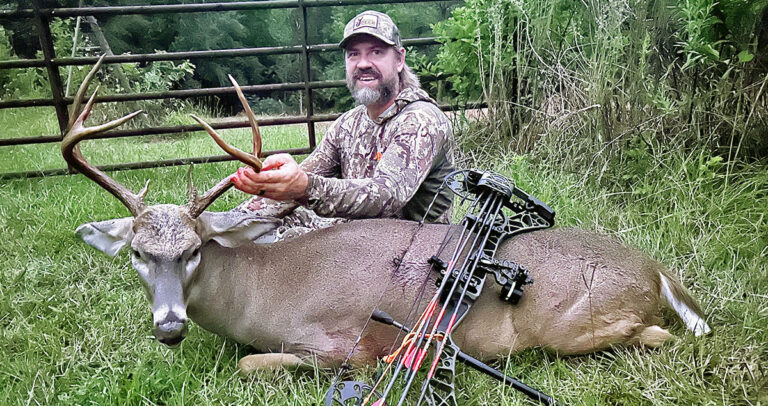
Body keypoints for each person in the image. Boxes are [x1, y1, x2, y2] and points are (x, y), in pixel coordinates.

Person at [231, 10, 454, 239]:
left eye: (376, 52)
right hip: (357, 243)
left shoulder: (421, 121)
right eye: (353, 54)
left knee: (291, 239)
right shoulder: (348, 124)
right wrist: (232, 220)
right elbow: (302, 178)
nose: (363, 64)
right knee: (265, 225)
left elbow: (387, 195)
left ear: (399, 60)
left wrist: (305, 187)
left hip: (414, 255)